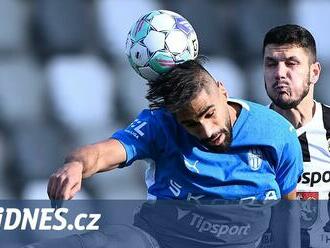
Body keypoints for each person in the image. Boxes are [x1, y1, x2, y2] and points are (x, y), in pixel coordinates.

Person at [35, 60, 302, 248]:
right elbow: (104, 152)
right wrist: (76, 166)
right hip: (157, 239)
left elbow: (288, 211)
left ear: (222, 90)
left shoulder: (277, 134)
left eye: (209, 113)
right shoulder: (161, 124)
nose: (207, 131)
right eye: (191, 123)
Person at [262, 24, 330, 247]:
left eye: (292, 63)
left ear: (314, 72)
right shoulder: (248, 133)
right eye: (271, 63)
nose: (280, 73)